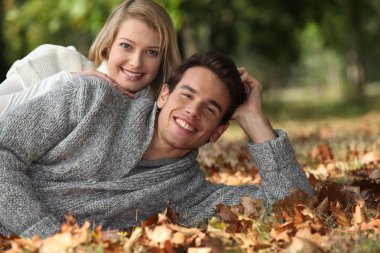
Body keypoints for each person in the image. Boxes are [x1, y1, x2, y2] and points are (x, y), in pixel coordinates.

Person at [0, 52, 315, 239]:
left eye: (210, 108)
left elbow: (296, 207)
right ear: (163, 95)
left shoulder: (192, 195)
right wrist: (48, 236)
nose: (192, 111)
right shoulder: (89, 97)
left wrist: (255, 120)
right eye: (187, 95)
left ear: (217, 132)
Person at [0, 0, 181, 115]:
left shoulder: (157, 112)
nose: (136, 62)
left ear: (162, 59)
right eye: (126, 46)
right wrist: (70, 81)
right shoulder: (57, 60)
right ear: (108, 45)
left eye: (151, 52)